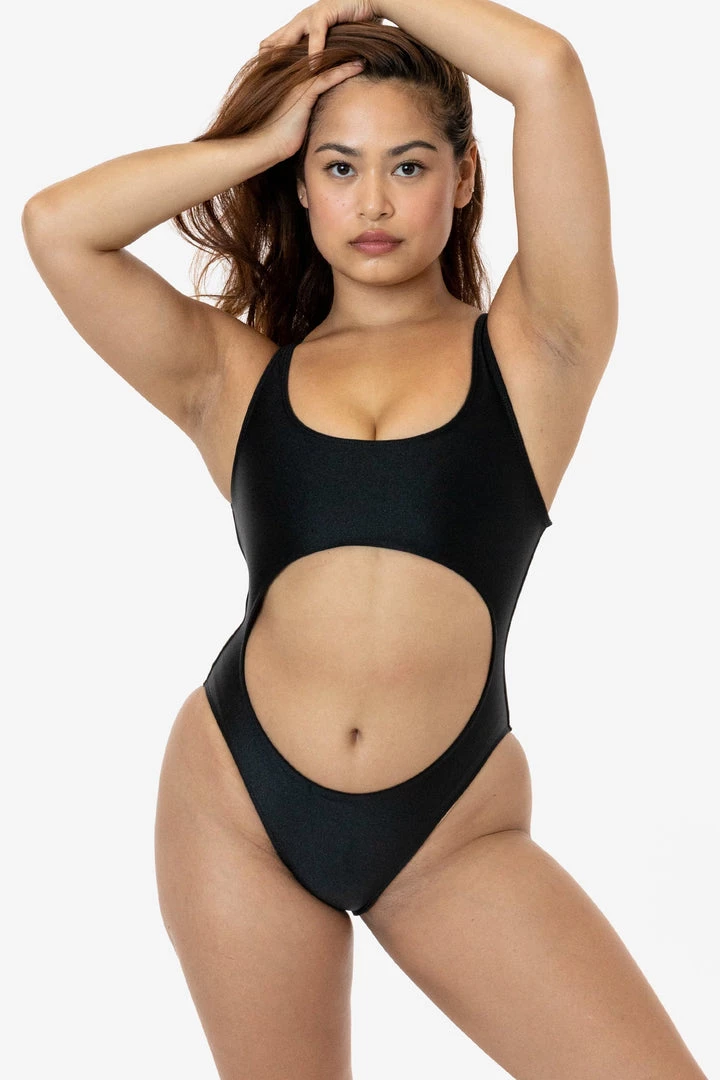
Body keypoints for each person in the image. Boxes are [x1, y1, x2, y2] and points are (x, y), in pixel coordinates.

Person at [21, 1, 709, 1078]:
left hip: (450, 831)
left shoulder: (539, 349)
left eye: (409, 165)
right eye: (338, 167)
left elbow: (549, 69)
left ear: (465, 176)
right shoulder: (234, 379)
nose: (374, 202)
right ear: (301, 183)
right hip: (237, 807)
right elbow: (57, 225)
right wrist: (252, 144)